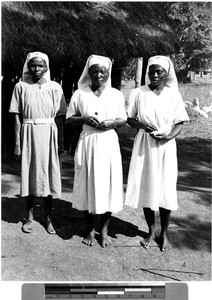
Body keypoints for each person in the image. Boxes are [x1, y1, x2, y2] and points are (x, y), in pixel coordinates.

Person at [125, 55, 189, 252]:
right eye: (151, 71)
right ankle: (151, 231)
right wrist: (142, 125)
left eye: (159, 71)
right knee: (147, 186)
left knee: (165, 188)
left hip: (166, 146)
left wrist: (169, 136)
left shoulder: (173, 95)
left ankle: (165, 233)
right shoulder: (138, 93)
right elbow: (130, 119)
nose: (154, 75)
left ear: (166, 73)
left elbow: (180, 122)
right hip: (144, 144)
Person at [66, 54, 126, 247]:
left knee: (107, 184)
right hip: (88, 141)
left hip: (108, 142)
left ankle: (105, 229)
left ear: (108, 73)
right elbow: (69, 118)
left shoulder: (116, 94)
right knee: (87, 183)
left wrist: (109, 124)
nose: (98, 75)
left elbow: (123, 119)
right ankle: (90, 229)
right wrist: (84, 119)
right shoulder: (80, 94)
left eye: (102, 71)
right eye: (94, 71)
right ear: (89, 72)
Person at [9, 52, 67, 234]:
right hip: (28, 133)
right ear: (28, 67)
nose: (37, 69)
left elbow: (60, 117)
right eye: (33, 65)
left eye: (40, 65)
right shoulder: (20, 86)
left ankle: (49, 218)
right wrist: (18, 144)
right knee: (30, 174)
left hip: (48, 134)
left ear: (46, 67)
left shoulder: (55, 87)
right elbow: (17, 117)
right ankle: (29, 217)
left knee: (48, 174)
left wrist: (59, 143)